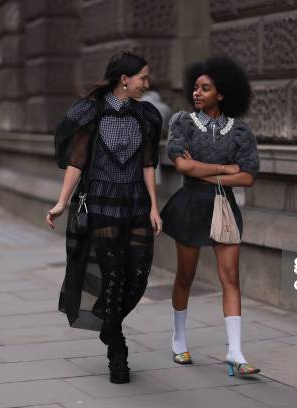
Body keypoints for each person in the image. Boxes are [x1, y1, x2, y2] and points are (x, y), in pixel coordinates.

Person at [46, 50, 163, 384]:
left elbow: (148, 163)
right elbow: (77, 161)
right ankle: (117, 350)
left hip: (137, 204)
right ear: (124, 79)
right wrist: (61, 201)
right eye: (142, 77)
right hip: (101, 204)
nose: (147, 83)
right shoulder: (91, 114)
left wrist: (154, 206)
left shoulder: (147, 116)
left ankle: (107, 321)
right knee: (111, 277)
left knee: (137, 277)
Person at [160, 56, 261, 376]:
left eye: (206, 88)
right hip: (190, 206)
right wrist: (223, 169)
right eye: (196, 88)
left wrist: (204, 173)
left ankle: (235, 351)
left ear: (222, 93)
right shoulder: (183, 123)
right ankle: (178, 339)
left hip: (224, 208)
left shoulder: (242, 131)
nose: (197, 93)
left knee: (230, 277)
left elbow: (247, 177)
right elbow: (181, 165)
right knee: (185, 276)